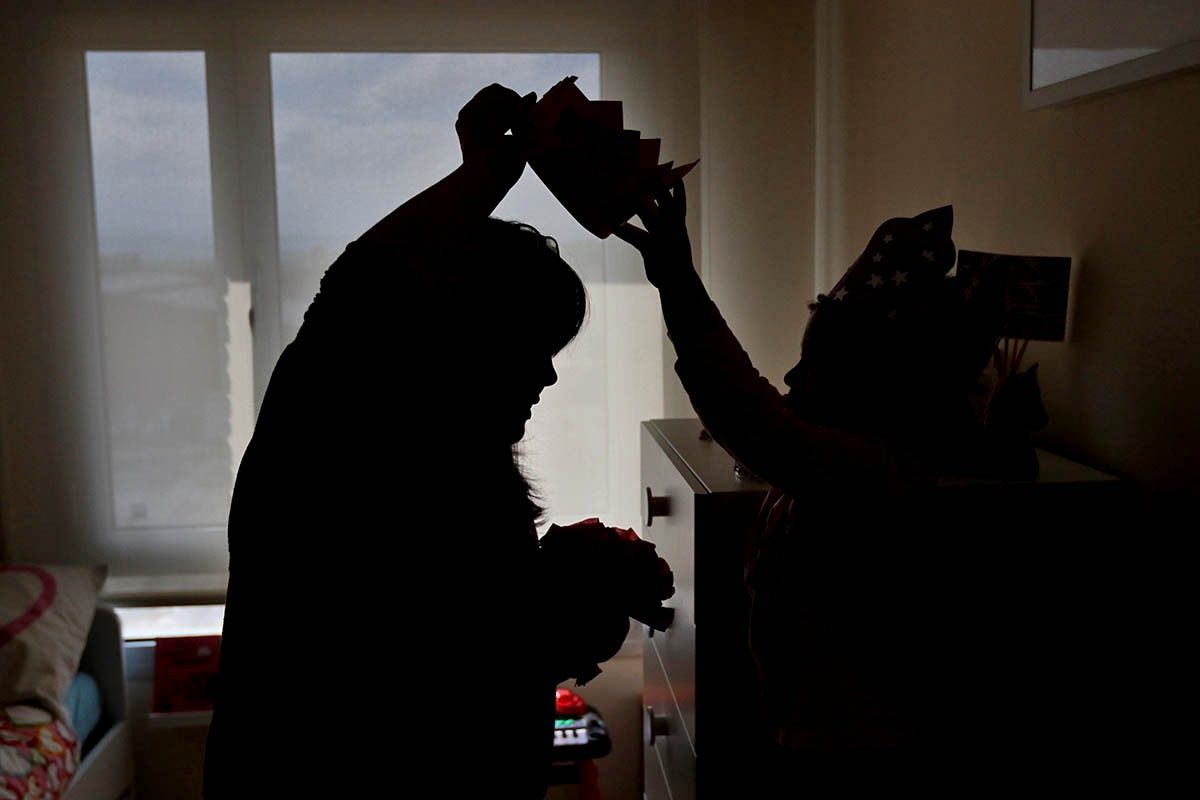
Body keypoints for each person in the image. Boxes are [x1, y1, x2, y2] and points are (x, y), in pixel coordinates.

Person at [203, 84, 645, 798]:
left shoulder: (466, 477)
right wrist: (482, 178)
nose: (548, 372)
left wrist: (578, 588)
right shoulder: (321, 452)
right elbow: (358, 286)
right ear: (458, 337)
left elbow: (480, 656)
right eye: (529, 344)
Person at [616, 180, 951, 779]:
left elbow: (753, 416)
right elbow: (762, 419)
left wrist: (680, 285)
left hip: (851, 750)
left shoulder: (872, 471)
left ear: (876, 382)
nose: (794, 373)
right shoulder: (844, 463)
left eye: (817, 365)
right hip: (810, 726)